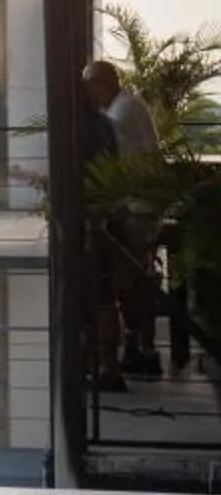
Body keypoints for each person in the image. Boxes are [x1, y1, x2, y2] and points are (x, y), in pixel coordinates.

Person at [84, 60, 163, 376]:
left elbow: (104, 150)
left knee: (127, 281)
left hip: (135, 207)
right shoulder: (127, 104)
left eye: (89, 86)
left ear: (101, 84)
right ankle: (139, 346)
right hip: (135, 203)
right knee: (132, 279)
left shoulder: (120, 112)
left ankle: (136, 349)